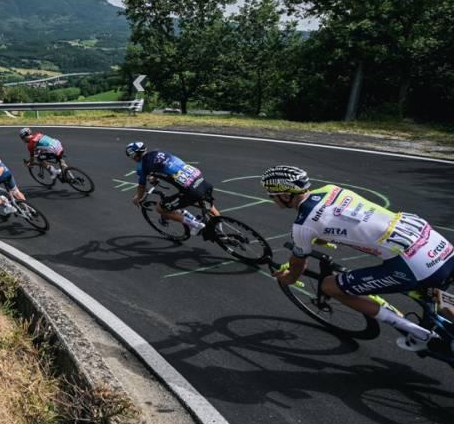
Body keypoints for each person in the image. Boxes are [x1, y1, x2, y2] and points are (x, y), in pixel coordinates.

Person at [261, 165, 454, 352]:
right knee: (435, 292)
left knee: (330, 286)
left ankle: (418, 334)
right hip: (438, 245)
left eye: (271, 195)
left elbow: (298, 264)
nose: (271, 199)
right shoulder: (332, 189)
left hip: (414, 263)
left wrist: (289, 278)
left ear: (285, 195)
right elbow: (346, 219)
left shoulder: (303, 225)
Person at [126, 141, 219, 236]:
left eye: (131, 156)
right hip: (201, 179)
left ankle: (196, 225)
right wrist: (154, 178)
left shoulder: (142, 167)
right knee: (209, 207)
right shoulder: (159, 153)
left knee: (160, 209)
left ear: (135, 155)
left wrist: (137, 198)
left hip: (192, 191)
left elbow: (141, 187)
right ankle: (221, 232)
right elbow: (167, 167)